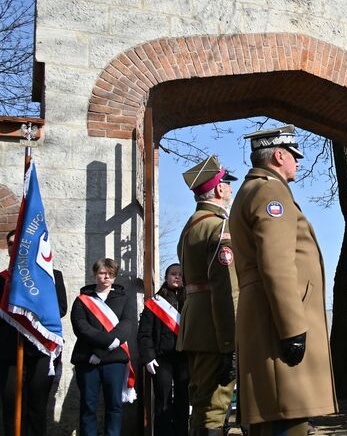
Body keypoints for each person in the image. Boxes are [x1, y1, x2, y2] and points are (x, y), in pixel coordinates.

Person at [230, 125, 338, 436]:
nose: (298, 162)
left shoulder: (254, 189)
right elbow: (276, 263)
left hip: (266, 315)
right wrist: (293, 329)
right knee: (287, 418)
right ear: (279, 155)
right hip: (277, 321)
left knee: (272, 417)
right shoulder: (270, 191)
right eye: (294, 155)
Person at [176, 155, 239, 436]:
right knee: (215, 405)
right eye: (227, 183)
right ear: (219, 189)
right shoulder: (219, 226)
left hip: (195, 323)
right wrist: (231, 340)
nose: (230, 189)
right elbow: (226, 288)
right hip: (216, 326)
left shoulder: (190, 226)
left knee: (201, 401)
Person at [0, 230, 67, 436]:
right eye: (10, 243)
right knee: (11, 404)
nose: (13, 246)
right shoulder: (2, 278)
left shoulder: (52, 277)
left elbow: (61, 308)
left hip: (41, 350)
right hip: (10, 350)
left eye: (17, 242)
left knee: (36, 406)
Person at [70, 257, 136, 436]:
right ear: (95, 274)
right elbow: (81, 327)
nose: (106, 277)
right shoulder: (82, 300)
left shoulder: (124, 299)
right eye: (102, 273)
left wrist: (101, 352)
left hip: (114, 361)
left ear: (114, 277)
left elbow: (127, 325)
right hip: (87, 359)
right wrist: (100, 349)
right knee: (88, 406)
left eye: (110, 274)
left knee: (114, 405)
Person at [138, 263, 189, 436]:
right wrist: (148, 357)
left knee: (183, 400)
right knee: (163, 400)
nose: (177, 277)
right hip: (162, 359)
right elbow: (144, 333)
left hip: (184, 359)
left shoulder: (190, 301)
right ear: (166, 277)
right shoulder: (155, 303)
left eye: (180, 274)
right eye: (173, 274)